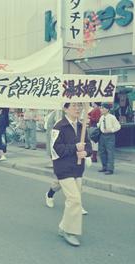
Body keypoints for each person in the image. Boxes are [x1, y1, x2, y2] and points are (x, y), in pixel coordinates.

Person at [50, 102, 92, 247]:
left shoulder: (82, 126)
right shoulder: (59, 127)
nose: (78, 109)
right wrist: (75, 148)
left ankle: (63, 227)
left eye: (79, 106)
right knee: (74, 200)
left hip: (78, 169)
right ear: (65, 109)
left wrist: (86, 152)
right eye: (74, 106)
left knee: (74, 200)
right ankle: (69, 231)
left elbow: (89, 146)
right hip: (63, 168)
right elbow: (56, 149)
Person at [97, 103, 121, 175]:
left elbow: (118, 126)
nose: (102, 109)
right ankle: (104, 167)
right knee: (102, 152)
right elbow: (99, 125)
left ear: (107, 109)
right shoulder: (102, 117)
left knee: (110, 152)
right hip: (102, 136)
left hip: (110, 136)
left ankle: (110, 169)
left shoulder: (112, 117)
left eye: (103, 108)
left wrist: (111, 130)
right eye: (101, 108)